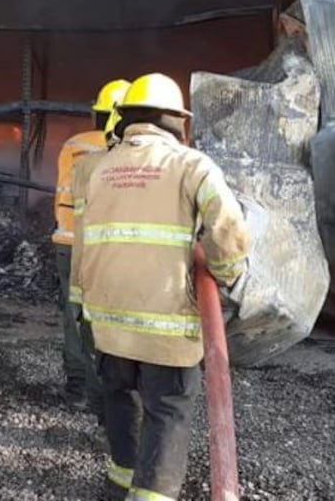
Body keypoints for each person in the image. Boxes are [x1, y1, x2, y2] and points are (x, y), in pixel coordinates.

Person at [73, 72, 251, 500]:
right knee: (166, 410)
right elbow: (228, 229)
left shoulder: (92, 167)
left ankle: (120, 483)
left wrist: (81, 304)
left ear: (129, 116)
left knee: (120, 400)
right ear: (176, 120)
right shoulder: (191, 165)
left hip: (108, 318)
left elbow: (82, 242)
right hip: (166, 324)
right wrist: (229, 276)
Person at [52, 79, 130, 411]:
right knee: (105, 320)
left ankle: (77, 391)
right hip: (108, 248)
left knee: (74, 317)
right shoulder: (128, 150)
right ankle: (106, 397)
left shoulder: (73, 144)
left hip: (67, 244)